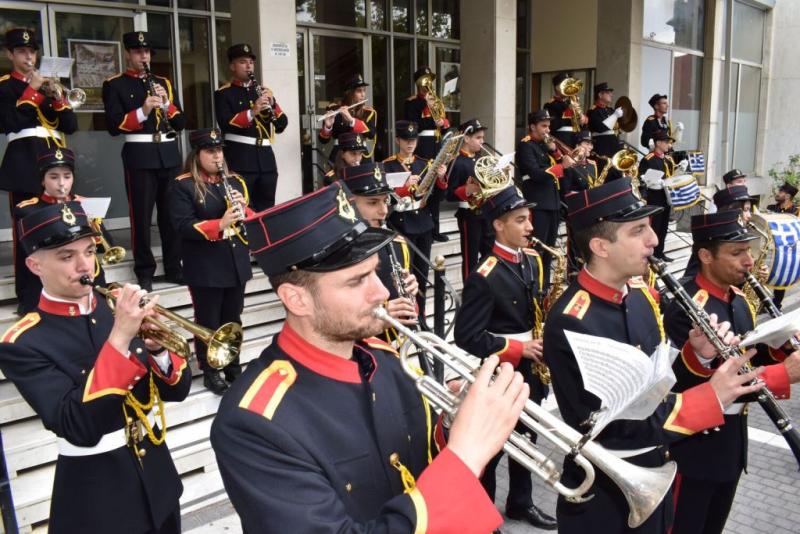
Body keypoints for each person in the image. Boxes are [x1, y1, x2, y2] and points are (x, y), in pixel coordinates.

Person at [211, 181, 529, 533]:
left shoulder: (386, 357)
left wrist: (454, 425)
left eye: (375, 272)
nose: (381, 292)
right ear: (296, 299)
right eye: (356, 281)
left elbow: (420, 460)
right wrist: (466, 455)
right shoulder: (253, 422)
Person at [542, 178, 769, 534]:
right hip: (606, 495)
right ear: (601, 246)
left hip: (655, 474)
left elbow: (655, 382)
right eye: (638, 231)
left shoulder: (640, 294)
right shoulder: (573, 320)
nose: (654, 240)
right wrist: (712, 396)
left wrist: (697, 357)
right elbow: (622, 424)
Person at [0, 201, 192, 533]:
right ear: (34, 265)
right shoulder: (23, 342)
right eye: (66, 256)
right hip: (100, 496)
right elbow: (78, 426)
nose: (84, 266)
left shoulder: (112, 308)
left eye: (89, 251)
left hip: (159, 478)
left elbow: (178, 390)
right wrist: (120, 337)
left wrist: (159, 347)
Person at [663, 210, 800, 534]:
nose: (749, 261)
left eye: (749, 251)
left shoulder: (738, 299)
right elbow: (710, 379)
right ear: (706, 256)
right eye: (737, 253)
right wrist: (783, 373)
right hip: (696, 448)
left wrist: (783, 345)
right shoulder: (686, 306)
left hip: (731, 445)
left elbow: (748, 354)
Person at [454, 184, 557, 530]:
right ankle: (483, 515)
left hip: (531, 368)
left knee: (527, 438)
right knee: (495, 448)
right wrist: (518, 349)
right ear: (498, 225)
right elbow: (466, 336)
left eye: (528, 219)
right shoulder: (484, 276)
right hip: (501, 370)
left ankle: (521, 503)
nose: (530, 227)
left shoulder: (533, 261)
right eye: (521, 220)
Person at [102, 31, 185, 292]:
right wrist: (144, 110)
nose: (144, 56)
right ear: (128, 53)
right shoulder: (115, 84)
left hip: (168, 154)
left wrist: (167, 103)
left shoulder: (163, 82)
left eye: (147, 52)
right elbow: (115, 126)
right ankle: (145, 271)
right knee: (141, 217)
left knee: (171, 216)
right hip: (140, 156)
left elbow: (181, 123)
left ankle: (174, 266)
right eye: (138, 52)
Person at [0, 28, 78, 309]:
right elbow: (10, 122)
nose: (28, 56)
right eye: (21, 51)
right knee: (27, 232)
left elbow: (70, 126)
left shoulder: (48, 86)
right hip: (24, 166)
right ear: (10, 54)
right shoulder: (5, 86)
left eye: (32, 51)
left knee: (60, 229)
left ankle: (59, 289)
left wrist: (57, 96)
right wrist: (31, 90)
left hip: (54, 164)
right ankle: (28, 296)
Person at [171, 128, 252, 394]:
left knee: (233, 318)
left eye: (219, 151)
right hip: (205, 264)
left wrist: (244, 210)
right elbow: (182, 226)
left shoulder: (236, 181)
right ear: (197, 154)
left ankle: (232, 365)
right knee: (208, 320)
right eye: (211, 151)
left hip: (235, 261)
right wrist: (220, 223)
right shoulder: (183, 184)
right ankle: (211, 370)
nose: (217, 156)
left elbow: (250, 219)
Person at [14, 147, 115, 314]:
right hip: (50, 285)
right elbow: (26, 256)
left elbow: (107, 246)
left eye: (67, 176)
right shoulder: (28, 210)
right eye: (54, 177)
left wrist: (93, 222)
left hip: (90, 282)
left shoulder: (84, 204)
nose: (62, 183)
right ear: (42, 180)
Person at [338, 161, 419, 339]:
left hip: (393, 349)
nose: (383, 211)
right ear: (349, 203)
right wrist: (380, 314)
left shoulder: (398, 244)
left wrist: (409, 296)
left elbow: (408, 309)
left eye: (385, 201)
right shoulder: (335, 255)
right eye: (373, 203)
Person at [383, 120, 447, 318]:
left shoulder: (424, 163)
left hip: (423, 223)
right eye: (405, 140)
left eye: (413, 139)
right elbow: (385, 197)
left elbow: (438, 197)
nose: (410, 143)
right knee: (404, 275)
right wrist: (403, 185)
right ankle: (406, 315)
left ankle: (421, 315)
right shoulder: (388, 165)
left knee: (421, 273)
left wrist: (441, 179)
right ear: (397, 140)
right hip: (402, 222)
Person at [215, 43, 289, 211]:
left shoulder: (262, 91)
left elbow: (281, 125)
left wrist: (273, 104)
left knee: (267, 208)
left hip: (266, 159)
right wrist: (253, 111)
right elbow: (225, 123)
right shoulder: (224, 93)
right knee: (244, 207)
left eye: (251, 62)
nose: (249, 66)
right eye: (243, 62)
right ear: (232, 66)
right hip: (240, 158)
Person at [516, 109, 575, 287]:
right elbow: (535, 174)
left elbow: (563, 171)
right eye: (543, 126)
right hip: (538, 203)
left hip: (553, 203)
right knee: (537, 250)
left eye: (548, 126)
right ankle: (533, 286)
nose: (547, 130)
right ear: (532, 126)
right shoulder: (525, 145)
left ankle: (545, 286)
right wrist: (560, 166)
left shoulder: (545, 145)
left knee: (549, 251)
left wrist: (555, 151)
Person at [404, 66, 451, 242]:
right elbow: (413, 125)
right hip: (422, 146)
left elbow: (445, 124)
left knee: (437, 191)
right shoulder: (412, 102)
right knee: (424, 188)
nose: (428, 85)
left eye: (430, 80)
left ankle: (435, 230)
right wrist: (428, 108)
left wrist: (443, 122)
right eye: (425, 81)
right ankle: (424, 229)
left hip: (436, 145)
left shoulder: (436, 100)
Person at [446, 119, 495, 281]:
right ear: (466, 138)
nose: (482, 141)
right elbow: (449, 194)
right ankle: (470, 290)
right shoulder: (457, 162)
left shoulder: (482, 159)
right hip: (469, 214)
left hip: (487, 212)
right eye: (478, 138)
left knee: (491, 254)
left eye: (482, 137)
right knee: (470, 257)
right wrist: (466, 190)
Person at [683, 185, 754, 280]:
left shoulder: (741, 233)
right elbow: (694, 276)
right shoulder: (715, 236)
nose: (749, 216)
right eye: (746, 210)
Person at [319, 73, 377, 162]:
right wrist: (328, 127)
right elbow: (323, 140)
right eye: (359, 91)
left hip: (361, 155)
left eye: (364, 90)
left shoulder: (368, 112)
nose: (363, 95)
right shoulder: (334, 109)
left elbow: (371, 133)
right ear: (350, 93)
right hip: (340, 155)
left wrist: (351, 120)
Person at [638, 130, 676, 261]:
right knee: (655, 226)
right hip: (654, 197)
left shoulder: (668, 159)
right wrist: (651, 181)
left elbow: (672, 177)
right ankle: (651, 254)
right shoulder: (649, 159)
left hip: (666, 196)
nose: (668, 145)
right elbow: (641, 177)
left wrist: (681, 169)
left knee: (664, 226)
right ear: (658, 143)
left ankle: (660, 252)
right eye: (666, 142)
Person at [763, 183, 800, 310]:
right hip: (770, 248)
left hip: (787, 250)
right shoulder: (771, 208)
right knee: (763, 275)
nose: (777, 193)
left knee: (782, 276)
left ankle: (776, 305)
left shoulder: (796, 211)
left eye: (781, 192)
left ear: (788, 195)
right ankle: (762, 302)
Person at [543, 72, 587, 147]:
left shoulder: (571, 101)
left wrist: (581, 118)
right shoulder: (550, 105)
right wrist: (569, 111)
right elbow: (553, 125)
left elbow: (581, 126)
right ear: (557, 87)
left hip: (576, 139)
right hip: (562, 139)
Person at [587, 82, 623, 158]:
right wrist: (615, 115)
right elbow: (601, 128)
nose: (611, 95)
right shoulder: (593, 111)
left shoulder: (610, 110)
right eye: (608, 93)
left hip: (614, 146)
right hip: (603, 148)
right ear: (600, 95)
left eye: (610, 93)